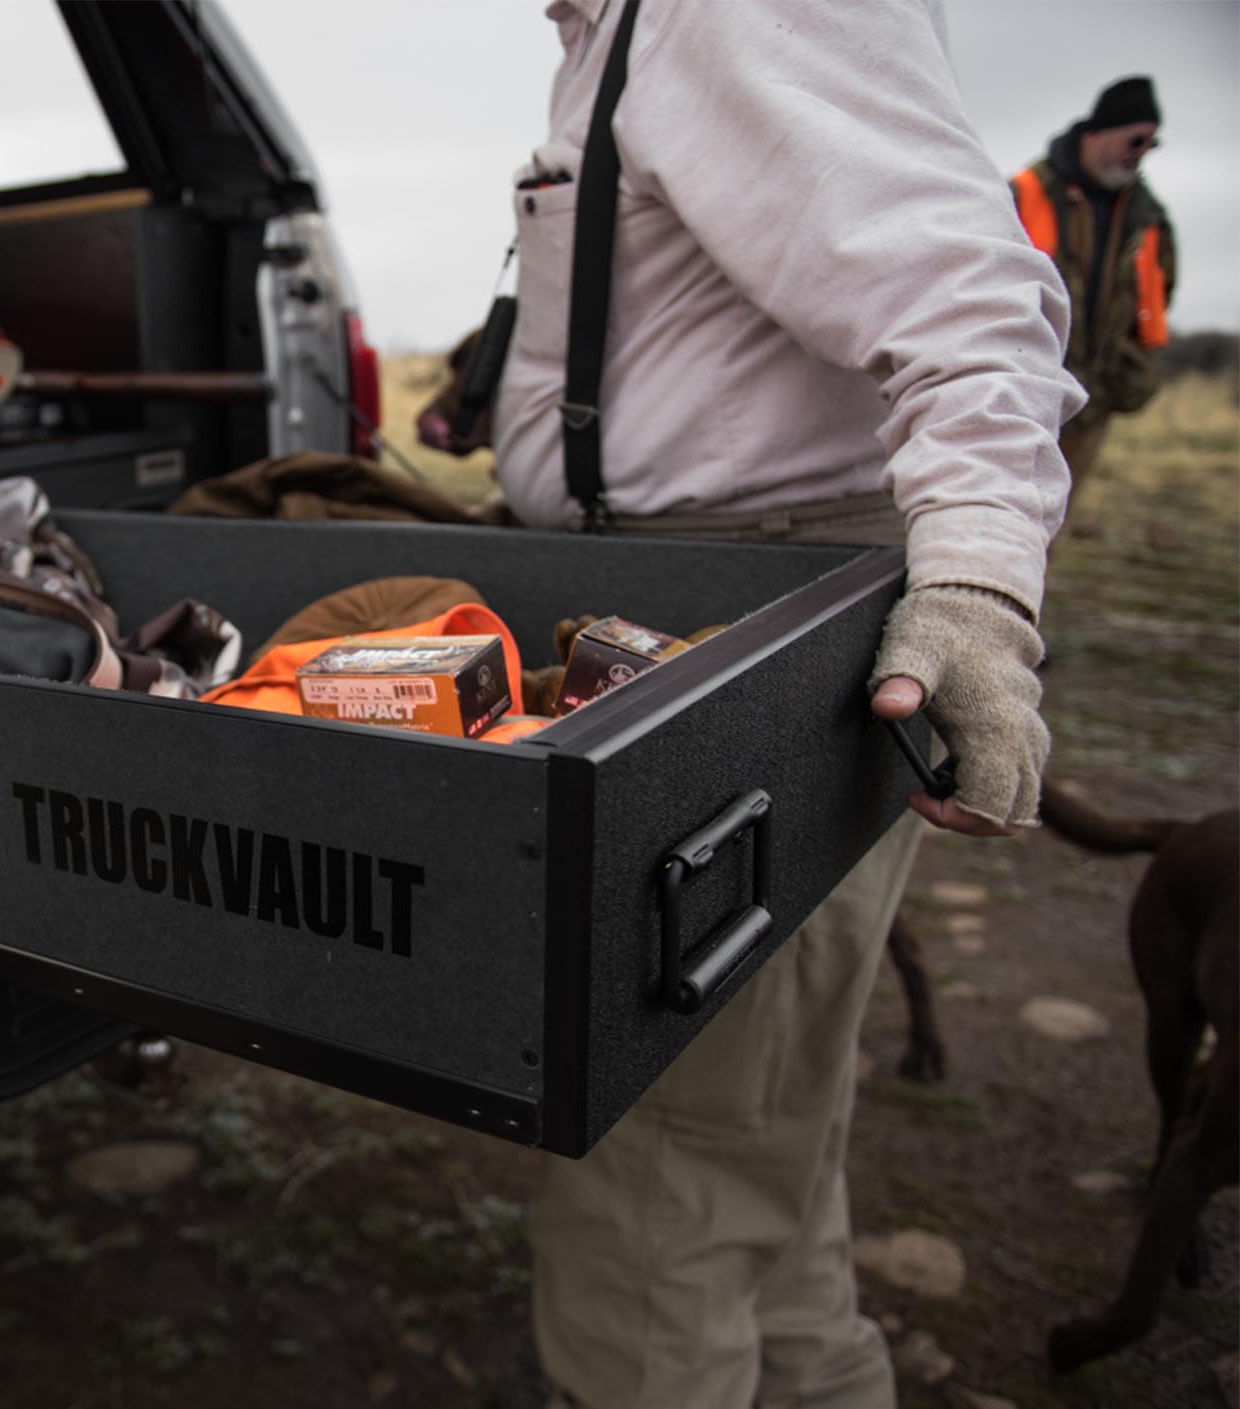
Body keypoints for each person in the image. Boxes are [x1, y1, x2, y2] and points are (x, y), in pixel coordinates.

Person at [487, 4, 1080, 1406]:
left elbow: (966, 300)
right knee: (761, 1130)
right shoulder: (615, 31)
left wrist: (984, 591)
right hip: (693, 596)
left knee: (654, 1144)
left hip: (753, 628)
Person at [1011, 76, 1177, 518]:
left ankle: (1037, 587)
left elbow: (1160, 293)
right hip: (1024, 392)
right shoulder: (1026, 193)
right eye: (1135, 139)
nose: (1141, 151)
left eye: (1151, 144)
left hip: (1093, 399)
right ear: (1096, 133)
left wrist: (1126, 368)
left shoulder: (1147, 217)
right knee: (1007, 515)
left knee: (1052, 519)